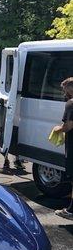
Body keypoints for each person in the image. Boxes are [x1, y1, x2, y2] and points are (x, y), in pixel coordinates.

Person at [53, 77, 73, 220]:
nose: (64, 93)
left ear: (69, 88)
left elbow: (69, 126)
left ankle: (71, 211)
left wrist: (58, 129)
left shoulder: (71, 104)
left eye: (64, 89)